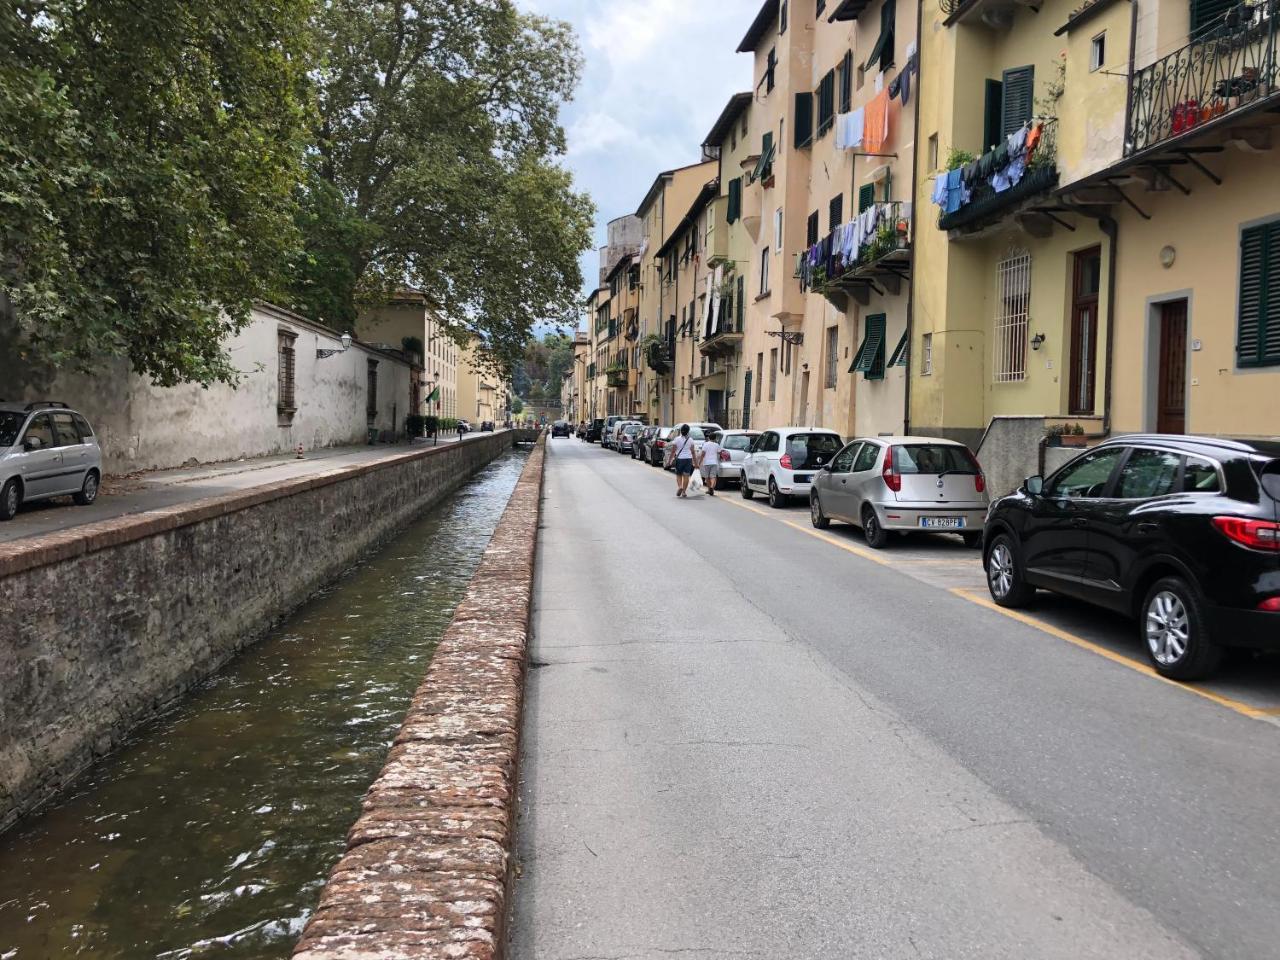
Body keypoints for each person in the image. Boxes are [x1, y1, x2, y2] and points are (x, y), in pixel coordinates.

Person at [668, 423, 698, 498]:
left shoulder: (677, 439)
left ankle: (680, 486)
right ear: (688, 431)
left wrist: (669, 460)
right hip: (688, 459)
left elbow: (673, 451)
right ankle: (684, 491)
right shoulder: (690, 440)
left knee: (679, 474)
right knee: (686, 475)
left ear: (681, 431)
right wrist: (695, 462)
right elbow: (693, 452)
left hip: (680, 459)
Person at [699, 431, 723, 497]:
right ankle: (712, 487)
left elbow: (702, 454)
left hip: (706, 463)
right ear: (715, 438)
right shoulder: (717, 445)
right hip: (714, 462)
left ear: (709, 438)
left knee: (707, 476)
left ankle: (709, 489)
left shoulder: (705, 444)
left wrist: (699, 462)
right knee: (713, 476)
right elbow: (720, 453)